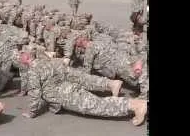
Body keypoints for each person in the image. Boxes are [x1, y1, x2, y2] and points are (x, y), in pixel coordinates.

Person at [19, 52, 147, 126]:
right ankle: (132, 103)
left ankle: (134, 105)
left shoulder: (33, 72)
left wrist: (32, 112)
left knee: (98, 106)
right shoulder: (48, 62)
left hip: (65, 96)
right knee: (98, 103)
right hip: (69, 88)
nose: (20, 60)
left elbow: (35, 95)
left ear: (26, 60)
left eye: (21, 58)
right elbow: (65, 73)